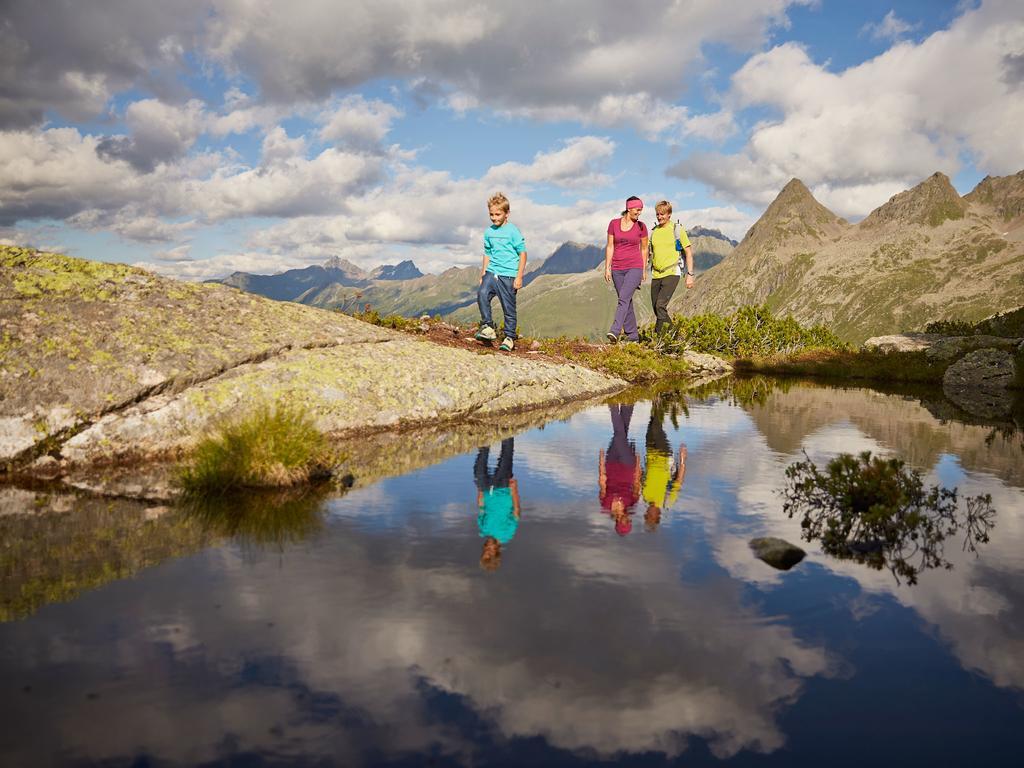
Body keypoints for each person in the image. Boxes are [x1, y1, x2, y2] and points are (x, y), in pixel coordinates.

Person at [475, 192, 527, 352]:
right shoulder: (488, 232)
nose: (494, 217)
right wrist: (483, 273)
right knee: (482, 294)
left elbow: (523, 253)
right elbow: (487, 253)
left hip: (509, 275)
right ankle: (488, 327)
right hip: (492, 271)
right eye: (491, 214)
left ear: (507, 214)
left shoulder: (513, 231)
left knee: (508, 308)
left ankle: (510, 337)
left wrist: (519, 277)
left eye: (498, 214)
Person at [604, 196, 649, 343]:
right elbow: (610, 246)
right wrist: (607, 267)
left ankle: (615, 331)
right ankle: (633, 336)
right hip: (617, 268)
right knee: (626, 301)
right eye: (638, 209)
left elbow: (644, 249)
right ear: (629, 208)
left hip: (634, 267)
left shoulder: (641, 227)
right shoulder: (613, 224)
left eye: (641, 210)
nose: (639, 213)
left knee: (623, 299)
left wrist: (643, 269)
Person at [648, 200, 695, 335]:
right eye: (657, 214)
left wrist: (690, 275)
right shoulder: (655, 231)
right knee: (657, 309)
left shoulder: (677, 229)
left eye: (662, 214)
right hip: (656, 274)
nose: (659, 217)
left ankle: (671, 337)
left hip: (672, 272)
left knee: (660, 305)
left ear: (669, 214)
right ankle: (663, 337)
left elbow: (688, 253)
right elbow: (649, 253)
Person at [474, 438, 521, 571]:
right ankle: (508, 431)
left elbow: (481, 508)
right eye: (490, 550)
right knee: (506, 456)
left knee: (478, 471)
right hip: (504, 489)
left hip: (487, 490)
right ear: (497, 551)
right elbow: (516, 512)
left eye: (485, 550)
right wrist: (514, 490)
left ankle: (485, 440)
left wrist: (480, 492)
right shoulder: (507, 535)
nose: (487, 547)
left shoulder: (484, 531)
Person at [641, 396, 687, 531]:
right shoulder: (668, 501)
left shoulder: (645, 497)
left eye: (646, 515)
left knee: (651, 426)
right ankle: (659, 398)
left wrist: (637, 462)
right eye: (650, 515)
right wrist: (683, 459)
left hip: (650, 453)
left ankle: (658, 399)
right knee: (656, 427)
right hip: (665, 455)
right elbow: (679, 480)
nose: (648, 513)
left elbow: (641, 477)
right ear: (658, 515)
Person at [598, 403, 641, 535]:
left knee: (622, 432)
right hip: (628, 466)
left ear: (618, 522)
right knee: (619, 436)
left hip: (611, 463)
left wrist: (601, 463)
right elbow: (636, 483)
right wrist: (638, 464)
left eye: (626, 523)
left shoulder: (605, 505)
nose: (628, 520)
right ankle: (613, 406)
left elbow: (603, 483)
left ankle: (628, 403)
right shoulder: (632, 504)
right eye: (629, 522)